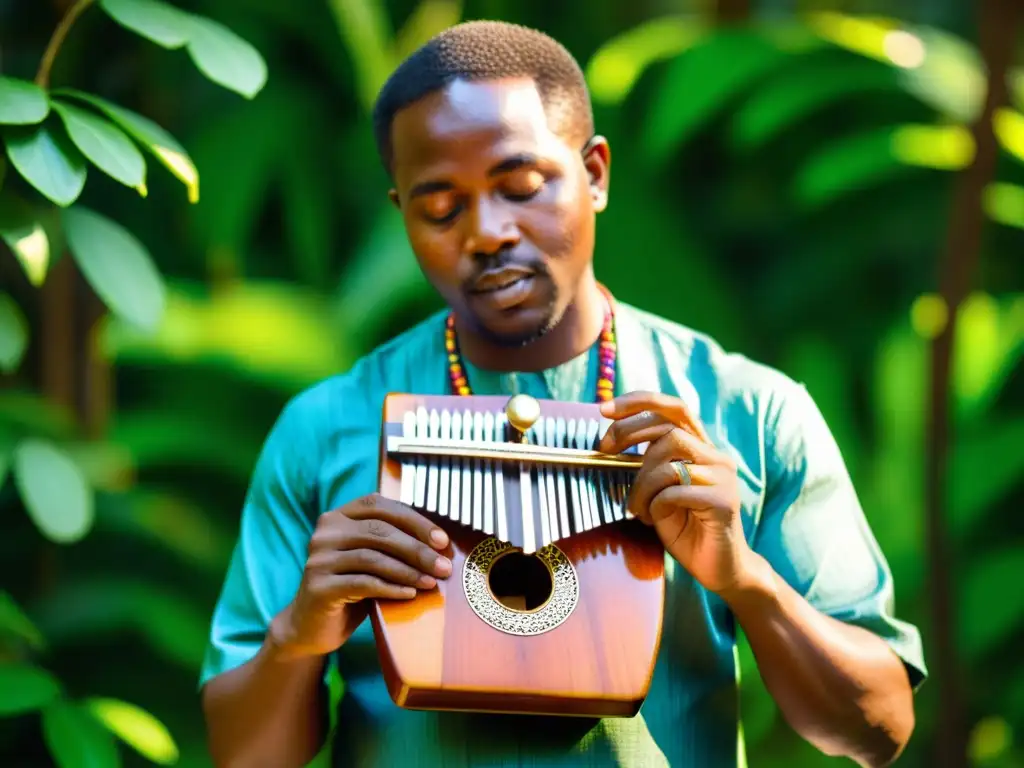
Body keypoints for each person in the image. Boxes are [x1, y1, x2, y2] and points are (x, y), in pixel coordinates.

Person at [199, 20, 926, 768]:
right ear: (403, 215)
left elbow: (879, 729)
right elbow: (243, 757)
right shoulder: (326, 429)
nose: (487, 232)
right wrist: (299, 632)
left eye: (520, 187)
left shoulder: (748, 413)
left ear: (597, 175)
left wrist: (743, 577)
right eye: (441, 209)